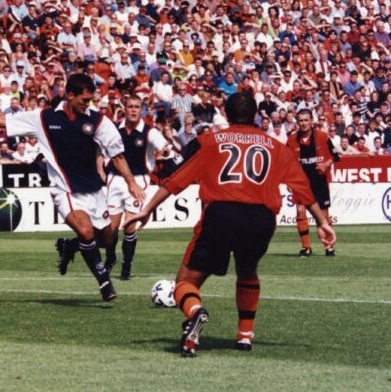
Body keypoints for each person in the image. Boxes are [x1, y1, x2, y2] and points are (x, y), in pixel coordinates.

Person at [124, 92, 335, 356]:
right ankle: (245, 336)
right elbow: (300, 186)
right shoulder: (275, 146)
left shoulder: (209, 141)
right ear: (256, 115)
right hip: (261, 219)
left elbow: (176, 180)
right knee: (248, 271)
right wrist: (322, 222)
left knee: (185, 282)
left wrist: (146, 210)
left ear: (226, 115)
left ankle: (195, 315)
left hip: (222, 214)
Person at [0, 73, 144, 301]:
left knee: (107, 240)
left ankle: (69, 247)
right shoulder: (44, 118)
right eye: (84, 100)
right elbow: (6, 121)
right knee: (86, 231)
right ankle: (104, 282)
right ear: (70, 95)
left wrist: (131, 182)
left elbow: (117, 156)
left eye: (90, 100)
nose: (88, 105)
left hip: (94, 192)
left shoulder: (99, 122)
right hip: (64, 190)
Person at [101, 95, 169, 280]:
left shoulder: (149, 131)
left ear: (142, 110)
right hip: (115, 179)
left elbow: (164, 146)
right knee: (110, 229)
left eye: (137, 107)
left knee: (129, 226)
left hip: (138, 181)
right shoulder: (115, 129)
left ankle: (126, 267)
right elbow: (100, 148)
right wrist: (100, 167)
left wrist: (166, 149)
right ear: (124, 108)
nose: (133, 110)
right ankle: (111, 258)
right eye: (130, 106)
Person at [286, 109, 340, 257]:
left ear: (311, 121)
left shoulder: (322, 136)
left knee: (323, 214)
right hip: (301, 183)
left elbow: (335, 155)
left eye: (306, 120)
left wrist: (325, 164)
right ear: (297, 122)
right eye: (301, 120)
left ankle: (328, 246)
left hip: (319, 180)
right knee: (300, 210)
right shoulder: (291, 140)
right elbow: (287, 162)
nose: (303, 123)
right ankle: (306, 247)